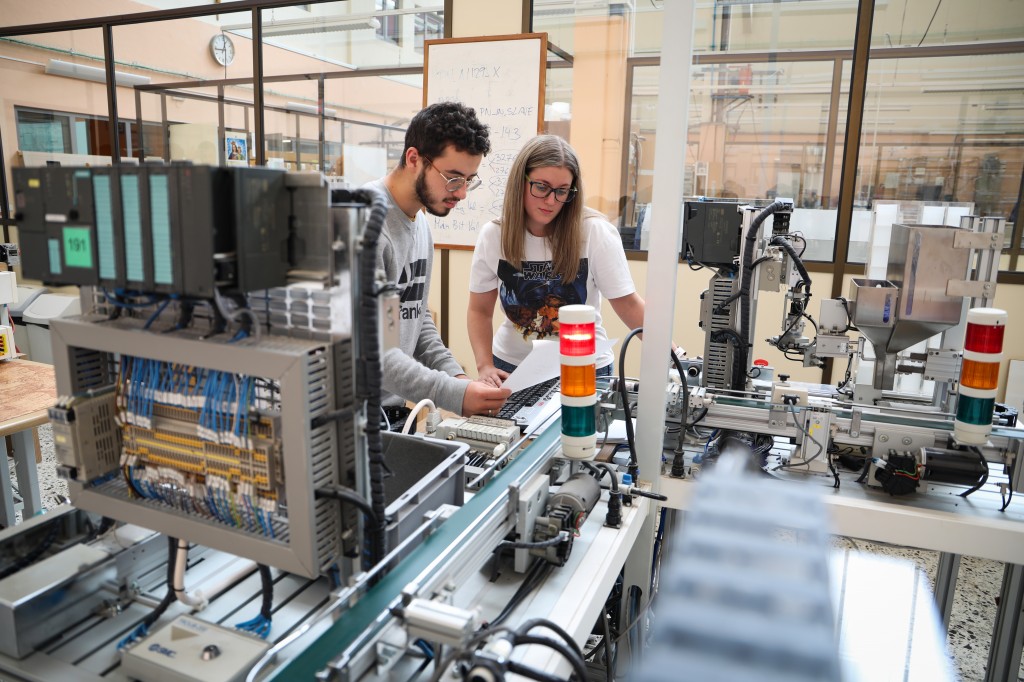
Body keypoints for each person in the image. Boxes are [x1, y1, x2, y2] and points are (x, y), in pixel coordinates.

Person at [364, 101, 510, 417]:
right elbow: (377, 353)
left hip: (388, 406)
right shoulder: (367, 225)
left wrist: (456, 374)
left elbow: (413, 317)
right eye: (453, 178)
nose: (461, 193)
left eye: (469, 180)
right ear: (414, 158)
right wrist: (454, 393)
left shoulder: (420, 224)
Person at [468, 135, 647, 386]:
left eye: (562, 191)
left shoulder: (594, 232)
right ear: (521, 181)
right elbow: (479, 310)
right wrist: (484, 365)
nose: (551, 201)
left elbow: (628, 303)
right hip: (512, 368)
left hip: (584, 367)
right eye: (541, 187)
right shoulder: (494, 235)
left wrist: (674, 356)